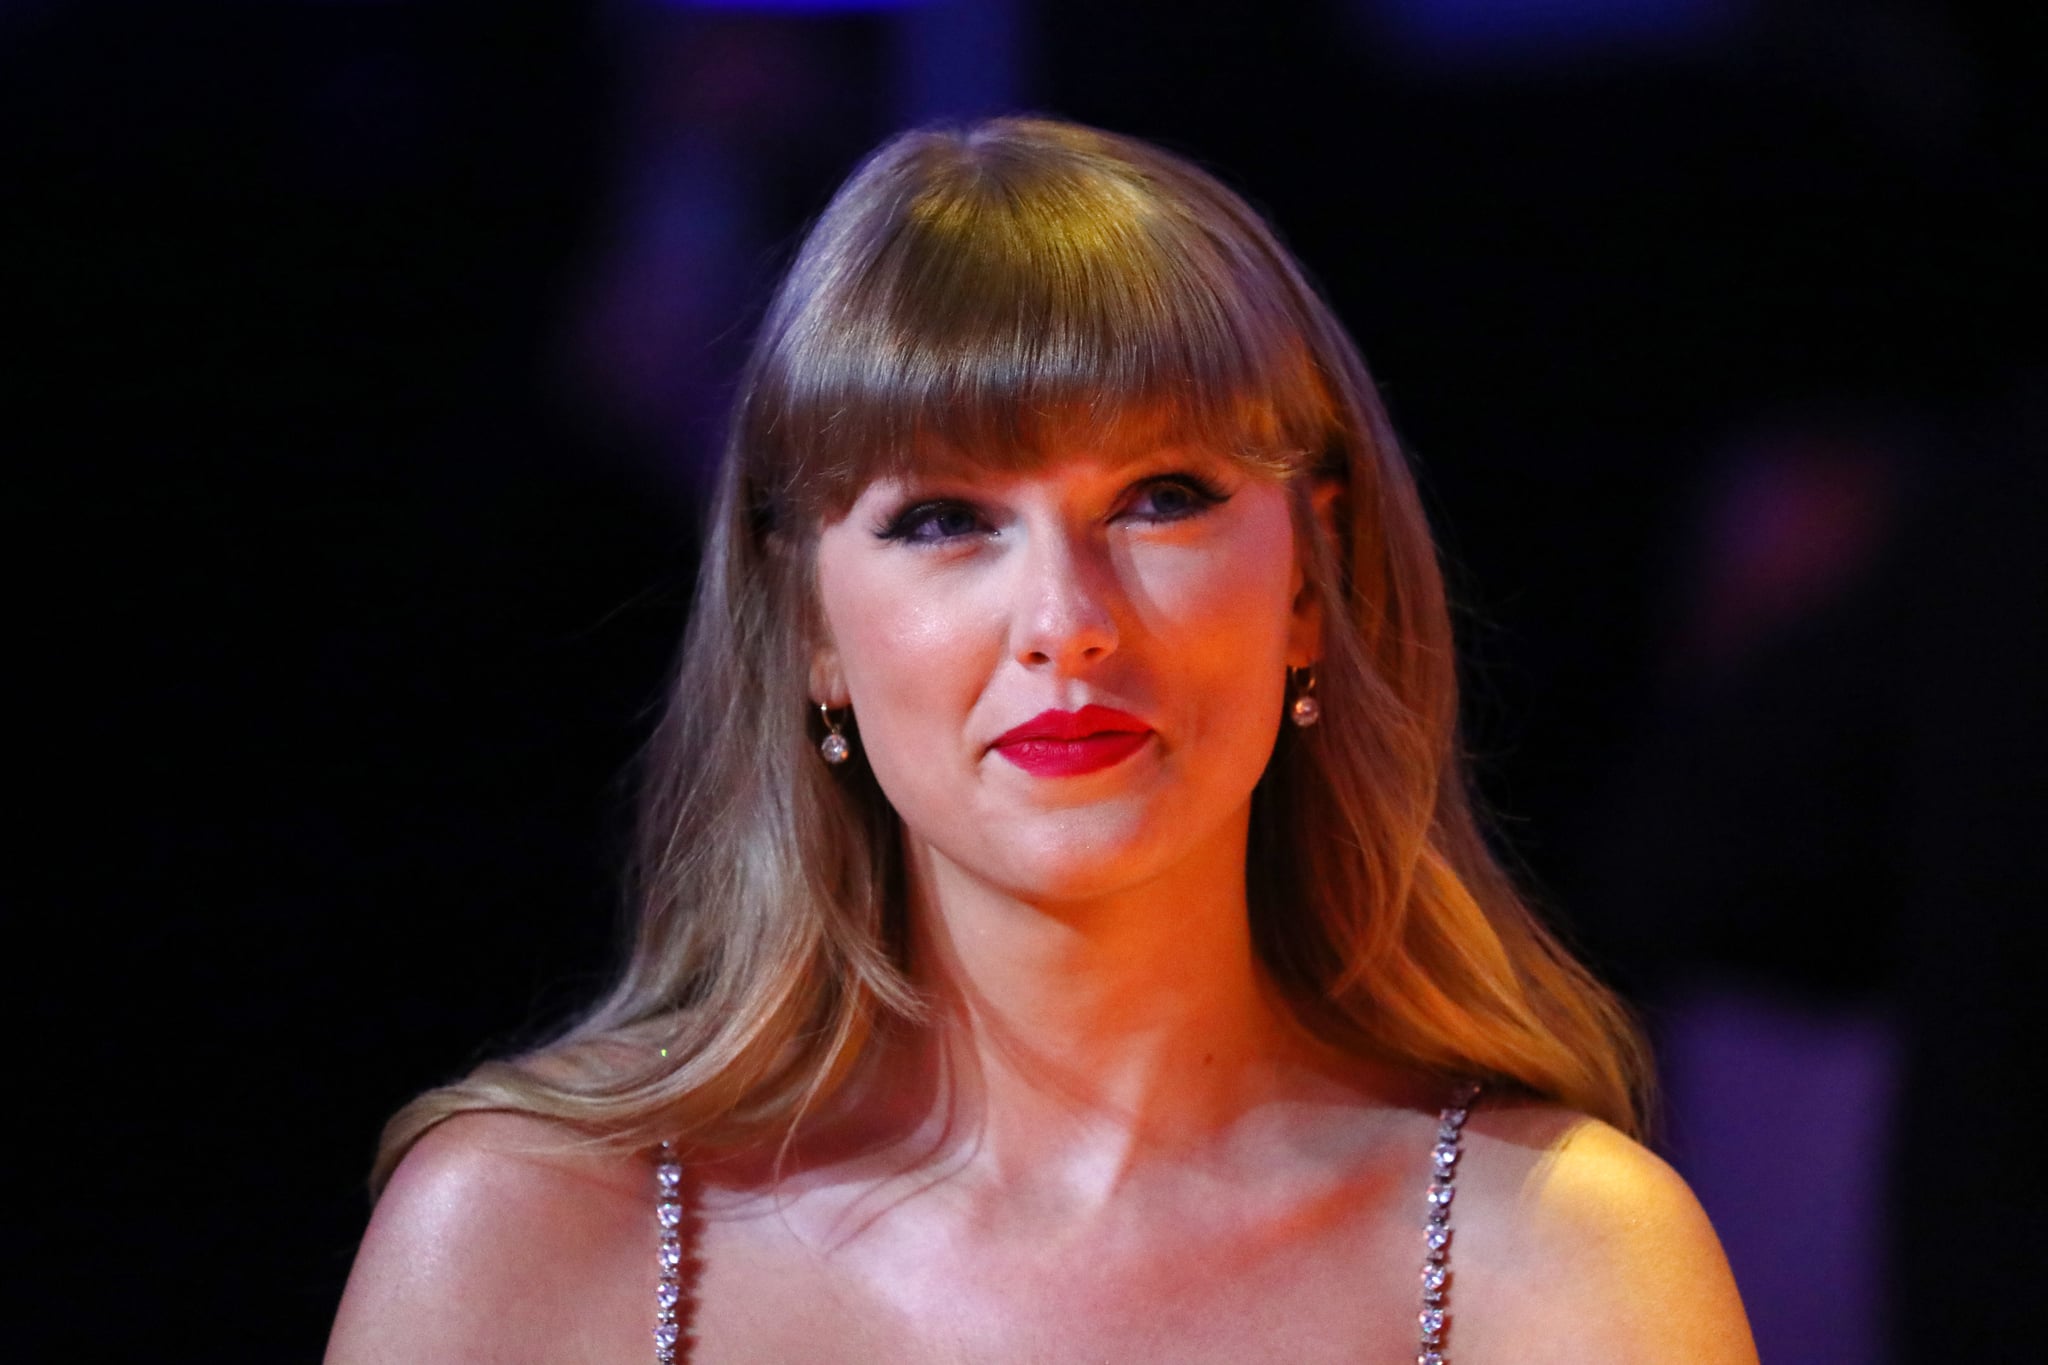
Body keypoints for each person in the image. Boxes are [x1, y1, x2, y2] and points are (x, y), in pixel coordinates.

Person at [326, 116, 1756, 1363]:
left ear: (1312, 580)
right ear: (809, 624)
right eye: (945, 519)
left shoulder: (1562, 1261)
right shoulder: (524, 1239)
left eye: (1162, 495)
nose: (1066, 621)